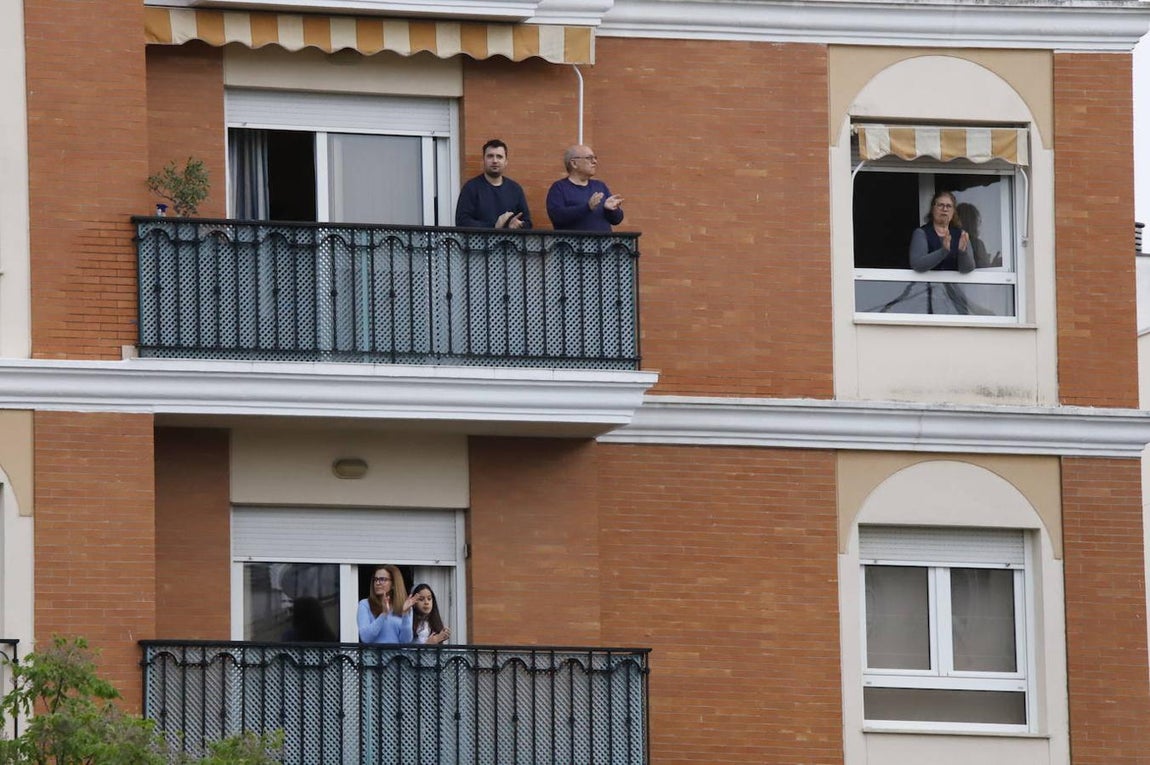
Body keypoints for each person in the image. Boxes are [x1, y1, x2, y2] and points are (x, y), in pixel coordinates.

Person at [455, 139, 532, 229]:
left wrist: (518, 225)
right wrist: (494, 226)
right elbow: (462, 221)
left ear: (506, 162)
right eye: (490, 156)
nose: (495, 161)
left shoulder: (515, 189)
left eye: (499, 157)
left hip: (509, 238)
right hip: (480, 239)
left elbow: (527, 223)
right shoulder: (471, 188)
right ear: (483, 160)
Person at [546, 145, 624, 232]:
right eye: (589, 158)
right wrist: (587, 207)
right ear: (574, 163)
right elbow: (557, 217)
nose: (594, 161)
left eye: (595, 158)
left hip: (603, 241)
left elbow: (617, 220)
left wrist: (611, 209)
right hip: (573, 241)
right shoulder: (559, 188)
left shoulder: (600, 186)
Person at [909, 190, 974, 273]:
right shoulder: (921, 233)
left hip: (953, 282)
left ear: (953, 211)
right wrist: (943, 251)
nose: (945, 209)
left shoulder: (961, 235)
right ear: (933, 209)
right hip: (928, 282)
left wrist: (962, 252)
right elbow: (917, 264)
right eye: (940, 205)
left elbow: (968, 269)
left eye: (949, 206)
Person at [357, 565, 417, 644]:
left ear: (393, 584)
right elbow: (365, 638)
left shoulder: (405, 605)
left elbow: (406, 641)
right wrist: (383, 615)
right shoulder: (365, 604)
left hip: (396, 652)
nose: (377, 583)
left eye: (382, 579)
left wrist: (405, 614)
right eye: (375, 579)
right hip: (374, 652)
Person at [955, 202, 1001, 268]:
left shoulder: (949, 242)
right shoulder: (976, 244)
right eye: (976, 220)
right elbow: (984, 269)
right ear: (972, 223)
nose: (978, 224)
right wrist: (994, 265)